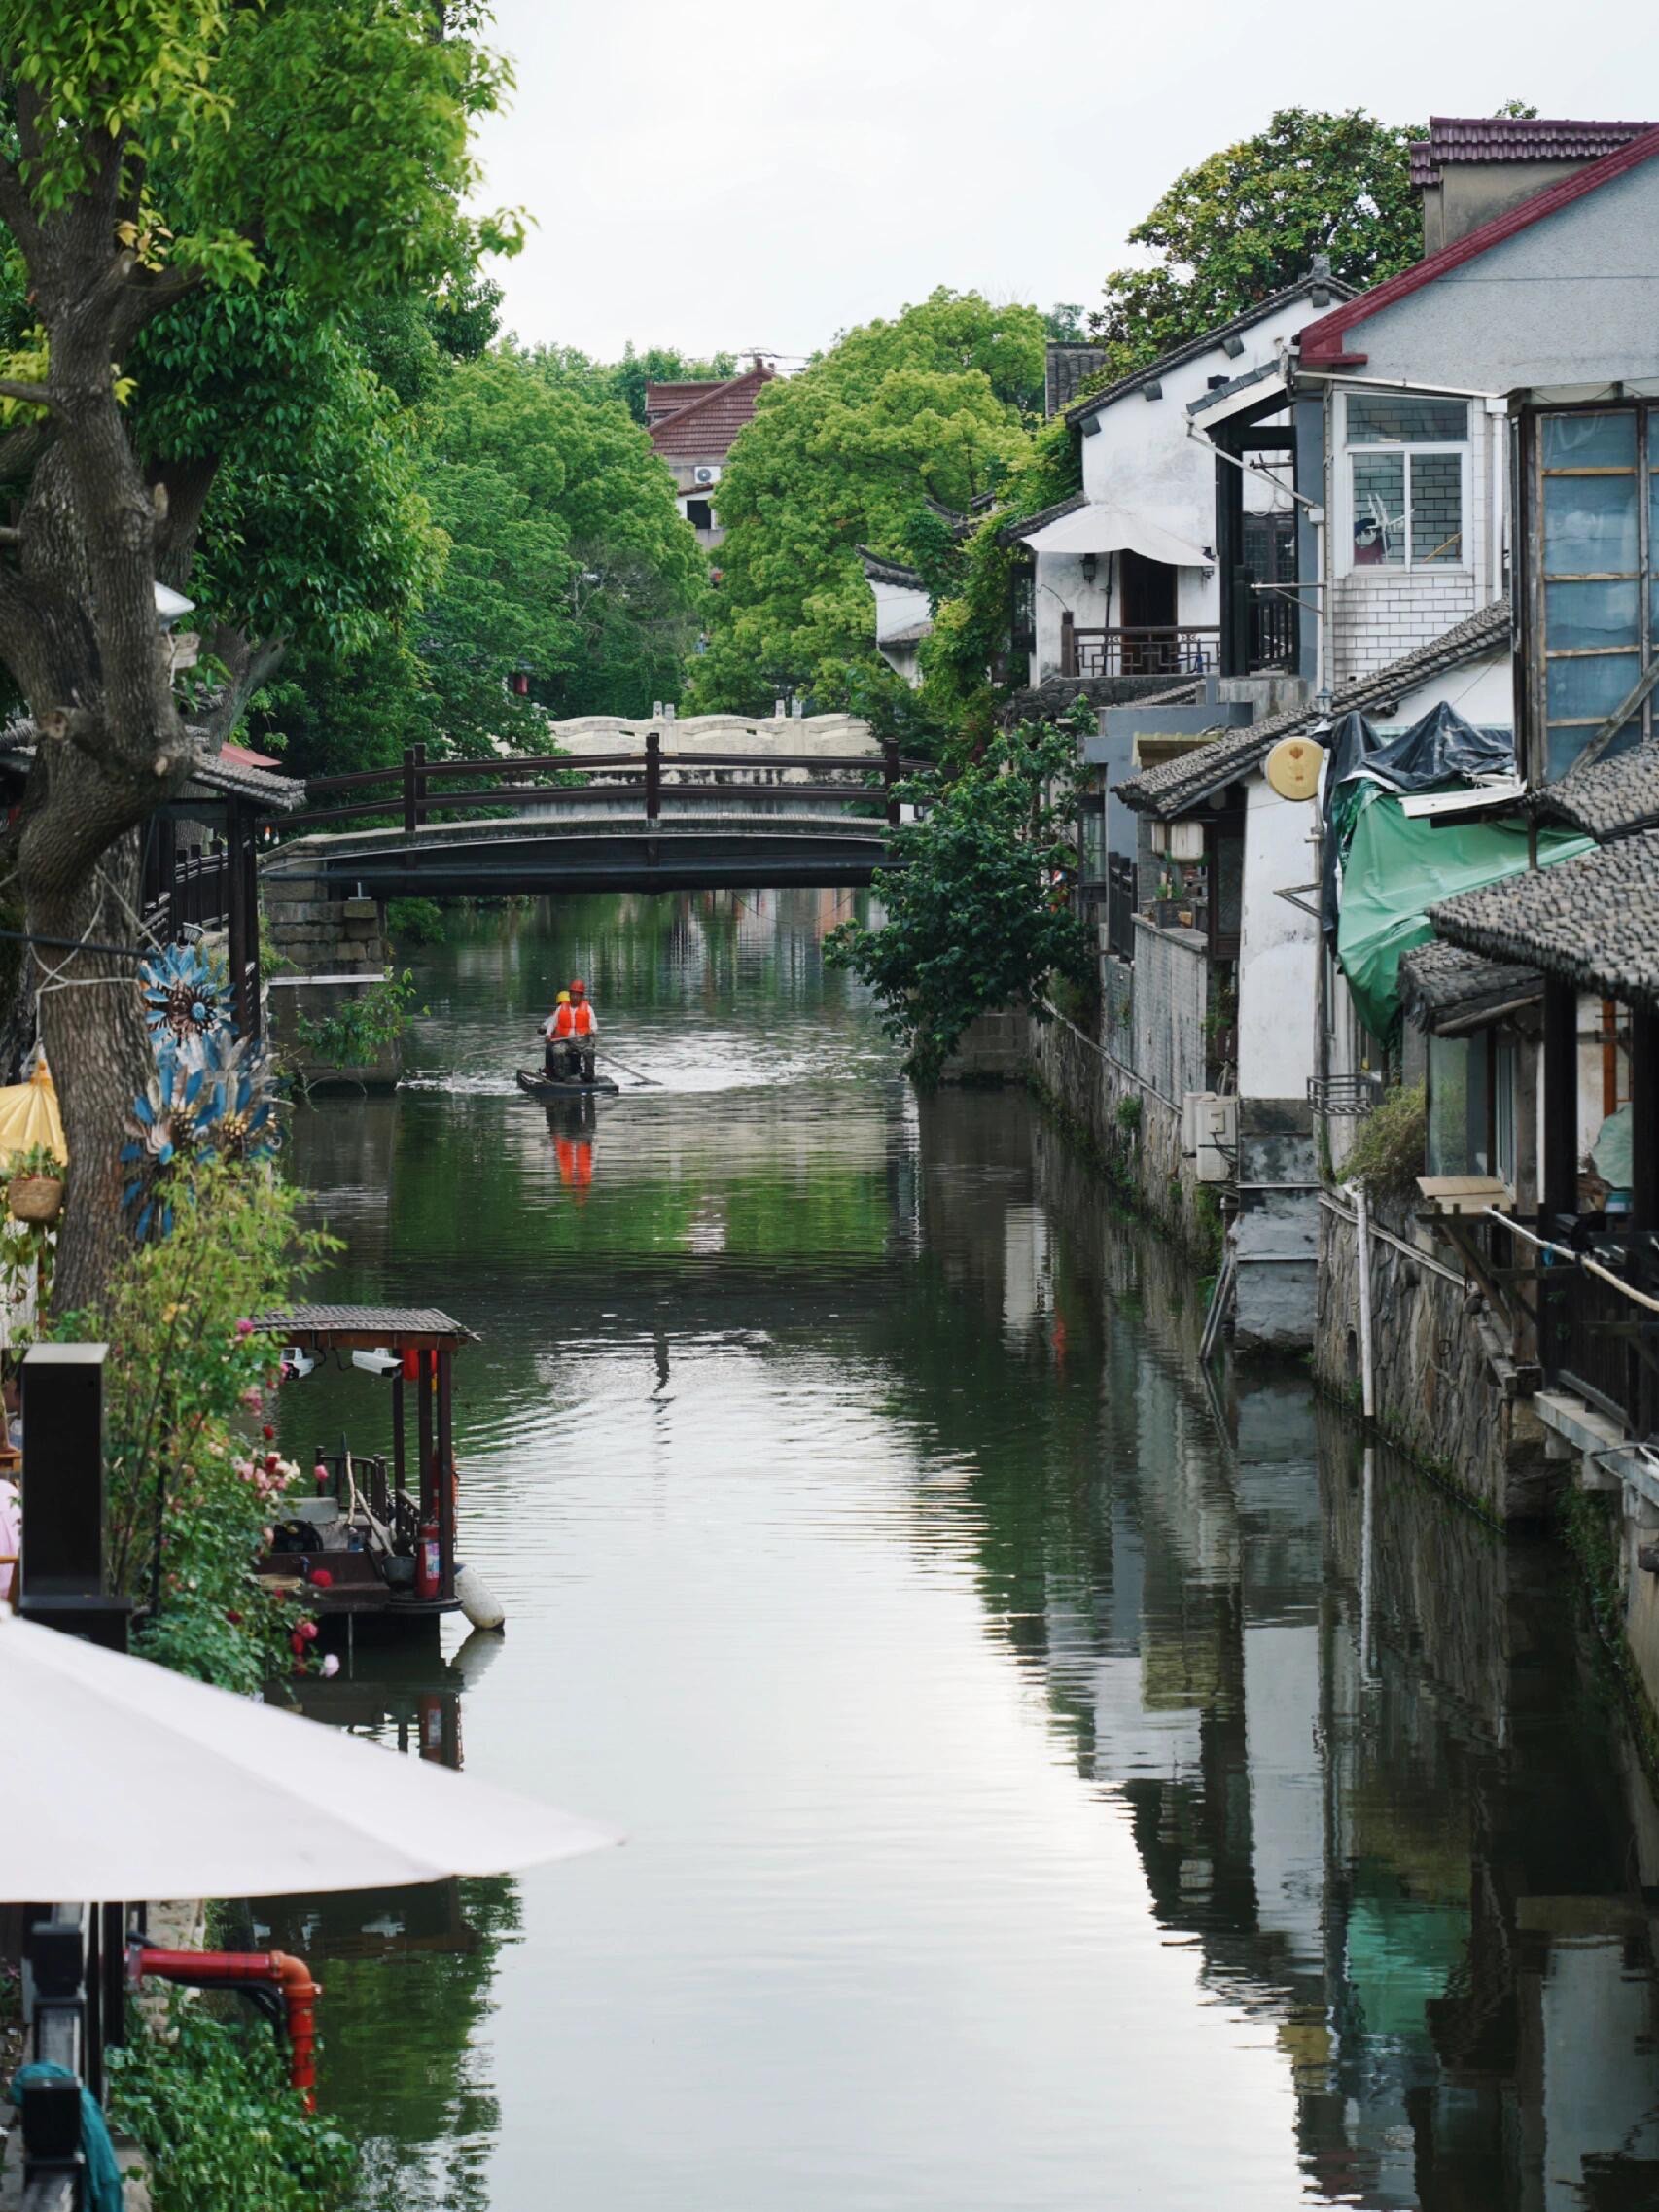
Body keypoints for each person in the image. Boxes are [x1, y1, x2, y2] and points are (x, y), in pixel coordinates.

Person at [569, 978, 598, 1083]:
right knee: (558, 1050)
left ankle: (589, 1076)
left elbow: (594, 1027)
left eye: (578, 994)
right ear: (570, 994)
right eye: (573, 994)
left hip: (584, 1041)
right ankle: (564, 1076)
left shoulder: (589, 1009)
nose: (575, 997)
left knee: (589, 1051)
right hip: (570, 1041)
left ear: (582, 996)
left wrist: (591, 1031)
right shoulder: (564, 1009)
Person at [543, 990, 574, 1080]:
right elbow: (543, 1027)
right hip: (557, 1043)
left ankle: (578, 1070)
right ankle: (551, 1070)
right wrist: (546, 1032)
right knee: (550, 1047)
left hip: (571, 1043)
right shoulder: (554, 1016)